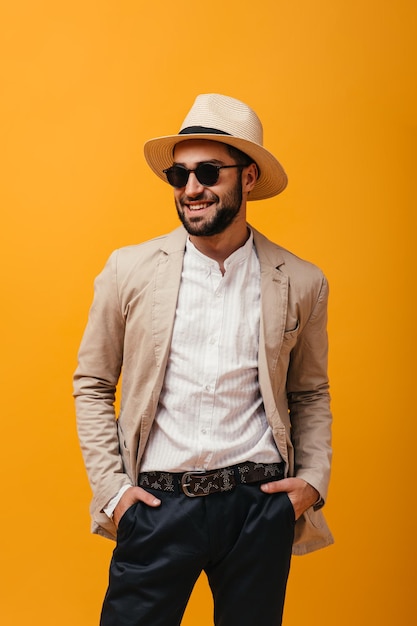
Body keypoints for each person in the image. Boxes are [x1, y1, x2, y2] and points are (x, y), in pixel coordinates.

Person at [73, 93, 333, 626]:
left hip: (258, 505)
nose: (191, 189)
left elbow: (309, 392)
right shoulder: (130, 270)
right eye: (179, 175)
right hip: (157, 506)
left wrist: (312, 480)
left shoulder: (301, 281)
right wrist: (114, 492)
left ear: (250, 177)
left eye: (209, 172)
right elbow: (93, 381)